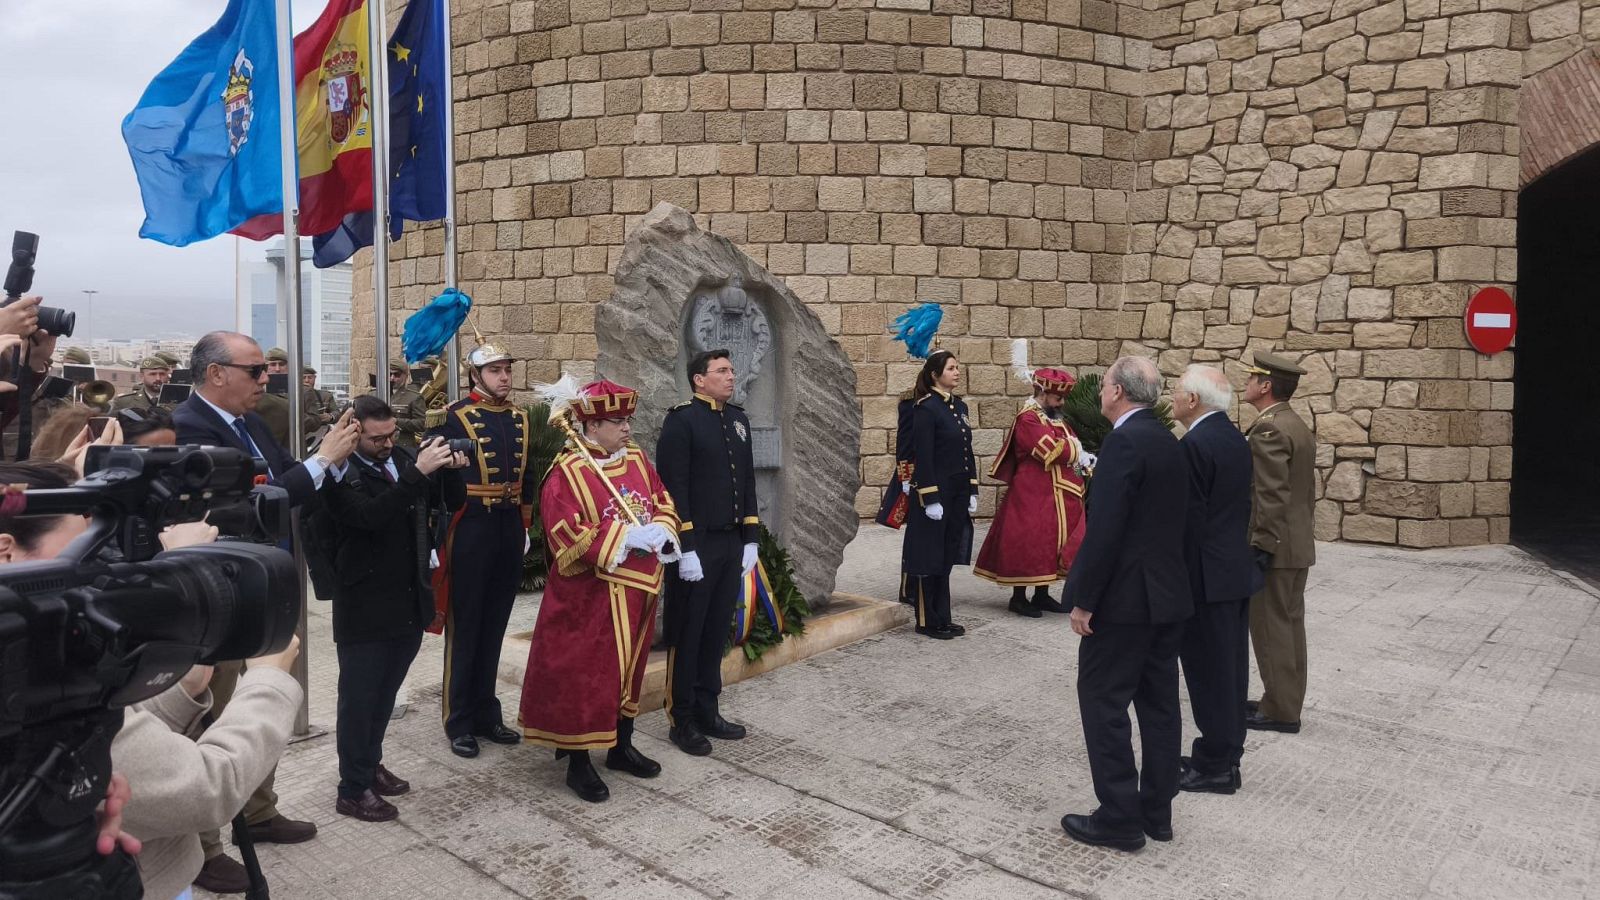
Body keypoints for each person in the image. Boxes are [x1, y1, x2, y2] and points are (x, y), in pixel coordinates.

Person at [0, 460, 300, 900]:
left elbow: (118, 741)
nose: (100, 564)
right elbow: (208, 788)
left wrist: (177, 692)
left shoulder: (37, 638)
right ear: (6, 550)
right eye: (84, 543)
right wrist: (270, 679)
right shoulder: (31, 672)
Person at [172, 331, 359, 893]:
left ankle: (258, 809)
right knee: (210, 712)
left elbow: (284, 486)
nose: (265, 380)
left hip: (262, 584)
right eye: (255, 371)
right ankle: (202, 846)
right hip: (217, 591)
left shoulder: (249, 423)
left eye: (266, 373)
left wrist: (327, 460)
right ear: (215, 374)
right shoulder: (188, 428)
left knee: (264, 697)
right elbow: (245, 507)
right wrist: (320, 462)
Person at [518, 380, 680, 801]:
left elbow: (661, 498)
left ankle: (621, 745)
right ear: (591, 423)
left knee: (629, 670)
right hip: (591, 596)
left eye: (628, 420)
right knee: (586, 677)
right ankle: (578, 762)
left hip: (640, 587)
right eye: (617, 421)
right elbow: (563, 532)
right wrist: (624, 538)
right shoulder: (568, 471)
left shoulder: (639, 460)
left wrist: (660, 527)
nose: (627, 428)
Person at [1060, 356, 1191, 852]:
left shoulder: (1123, 443)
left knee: (1103, 702)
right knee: (1159, 708)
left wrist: (1084, 600)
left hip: (1123, 603)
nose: (1100, 394)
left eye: (1105, 386)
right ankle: (1157, 812)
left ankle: (1118, 816)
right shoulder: (1167, 441)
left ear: (1117, 392)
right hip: (1165, 599)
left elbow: (1107, 529)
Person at [321, 396, 467, 821]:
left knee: (385, 694)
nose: (387, 444)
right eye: (376, 438)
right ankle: (351, 787)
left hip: (407, 596)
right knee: (359, 698)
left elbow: (449, 504)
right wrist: (417, 474)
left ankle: (369, 765)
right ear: (352, 433)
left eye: (392, 435)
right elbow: (369, 516)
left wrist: (449, 472)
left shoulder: (403, 457)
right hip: (363, 602)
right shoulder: (338, 473)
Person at [430, 339, 535, 759]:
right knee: (467, 625)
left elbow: (528, 476)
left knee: (495, 623)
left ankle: (488, 714)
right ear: (476, 376)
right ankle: (458, 719)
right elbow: (436, 476)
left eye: (507, 369)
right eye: (495, 371)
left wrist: (526, 522)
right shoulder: (453, 417)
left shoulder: (521, 418)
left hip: (508, 527)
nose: (504, 377)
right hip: (471, 525)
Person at [655, 350, 760, 755]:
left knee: (716, 629)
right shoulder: (682, 421)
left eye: (731, 369)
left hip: (730, 543)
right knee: (688, 632)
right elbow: (673, 489)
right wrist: (686, 549)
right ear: (699, 379)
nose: (731, 376)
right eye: (722, 371)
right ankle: (681, 717)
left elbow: (747, 480)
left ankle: (708, 708)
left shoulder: (738, 420)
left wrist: (750, 536)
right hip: (695, 547)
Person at [1171, 365, 1255, 795]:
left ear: (1192, 401)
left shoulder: (1196, 445)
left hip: (1206, 576)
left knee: (1210, 674)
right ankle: (1221, 755)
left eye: (1177, 391)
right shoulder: (1233, 436)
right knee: (1230, 670)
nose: (1171, 398)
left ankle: (1217, 766)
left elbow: (1188, 521)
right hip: (1231, 569)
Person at [973, 367, 1092, 618]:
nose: (1062, 402)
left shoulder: (1054, 417)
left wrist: (1080, 455)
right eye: (1058, 398)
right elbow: (1050, 449)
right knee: (1028, 540)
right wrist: (1074, 448)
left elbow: (1069, 444)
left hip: (1056, 489)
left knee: (1048, 541)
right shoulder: (1027, 418)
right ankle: (1018, 597)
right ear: (1042, 392)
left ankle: (1041, 593)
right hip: (1031, 489)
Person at [1240, 351, 1317, 734]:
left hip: (1277, 546)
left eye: (1252, 378)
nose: (1247, 383)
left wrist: (1260, 546)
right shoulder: (1293, 423)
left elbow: (1270, 495)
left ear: (1266, 385)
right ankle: (1282, 699)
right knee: (1288, 626)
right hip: (1296, 543)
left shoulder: (1269, 428)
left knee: (1271, 628)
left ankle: (1281, 711)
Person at [901, 349, 976, 640]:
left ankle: (943, 616)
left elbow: (966, 451)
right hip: (936, 493)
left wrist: (971, 488)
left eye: (958, 367)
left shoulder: (959, 407)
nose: (957, 372)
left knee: (945, 556)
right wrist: (930, 497)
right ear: (935, 375)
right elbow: (925, 456)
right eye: (951, 368)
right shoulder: (926, 408)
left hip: (956, 491)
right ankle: (926, 619)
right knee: (928, 555)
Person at [873, 385, 917, 605]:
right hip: (916, 476)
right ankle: (908, 587)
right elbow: (905, 444)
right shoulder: (911, 403)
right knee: (915, 535)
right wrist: (906, 478)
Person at [384, 361, 429, 448]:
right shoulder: (374, 394)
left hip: (402, 445)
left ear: (405, 376)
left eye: (397, 375)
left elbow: (422, 423)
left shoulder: (414, 397)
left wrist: (397, 421)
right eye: (389, 374)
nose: (392, 378)